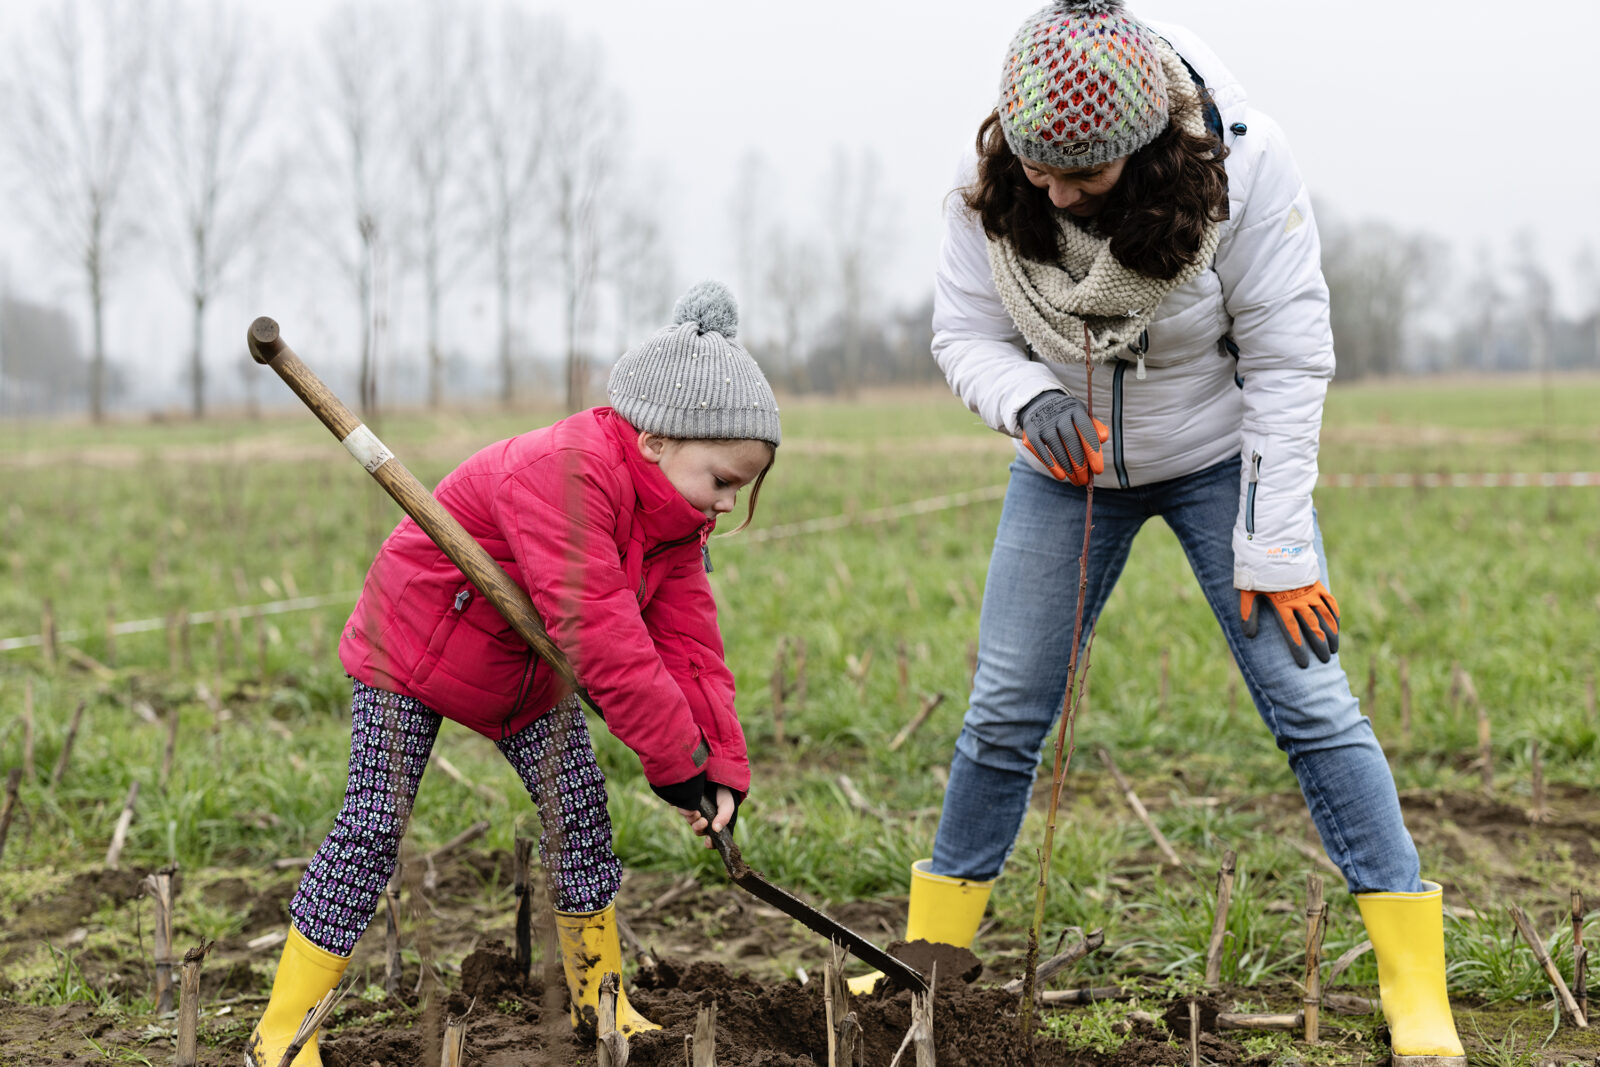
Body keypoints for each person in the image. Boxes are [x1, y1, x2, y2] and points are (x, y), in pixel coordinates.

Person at [860, 3, 1466, 1062]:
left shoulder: (1245, 168)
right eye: (1038, 168)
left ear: (1145, 149)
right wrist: (1025, 399)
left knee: (1312, 702)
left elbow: (1288, 360)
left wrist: (1275, 547)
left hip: (1224, 460)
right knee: (1002, 711)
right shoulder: (992, 183)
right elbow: (964, 332)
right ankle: (931, 958)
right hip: (1065, 467)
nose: (1055, 192)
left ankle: (1416, 985)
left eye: (1082, 174)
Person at [247, 282, 780, 1067]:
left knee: (581, 814)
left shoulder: (677, 522)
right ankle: (282, 1035)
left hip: (521, 667)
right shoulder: (564, 473)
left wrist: (717, 765)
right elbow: (603, 636)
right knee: (373, 827)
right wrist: (675, 764)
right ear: (657, 440)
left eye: (742, 486)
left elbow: (690, 646)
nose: (729, 503)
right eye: (723, 480)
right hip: (413, 645)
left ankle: (603, 1002)